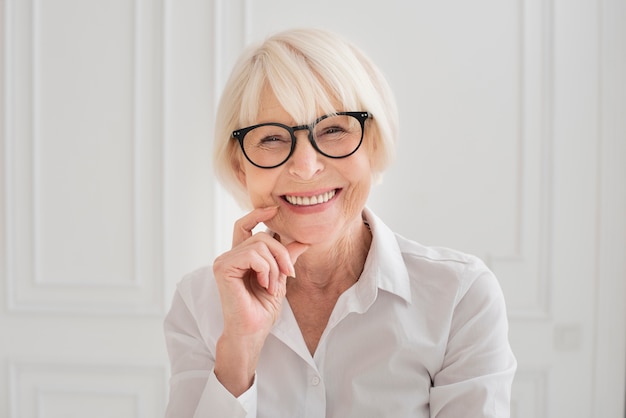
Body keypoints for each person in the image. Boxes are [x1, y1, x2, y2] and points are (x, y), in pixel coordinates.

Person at [163, 27, 516, 418]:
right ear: (239, 166)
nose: (306, 167)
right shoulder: (198, 304)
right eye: (272, 139)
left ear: (374, 144)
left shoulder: (459, 297)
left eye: (332, 130)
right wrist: (239, 352)